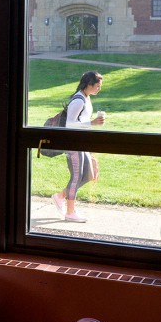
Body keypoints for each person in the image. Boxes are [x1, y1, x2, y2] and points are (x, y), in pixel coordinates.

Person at [52, 70, 106, 223]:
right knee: (76, 177)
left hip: (80, 142)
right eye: (97, 85)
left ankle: (60, 196)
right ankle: (70, 212)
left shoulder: (86, 98)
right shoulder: (79, 100)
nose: (99, 88)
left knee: (88, 174)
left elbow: (80, 124)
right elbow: (70, 124)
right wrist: (92, 123)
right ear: (89, 84)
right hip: (72, 143)